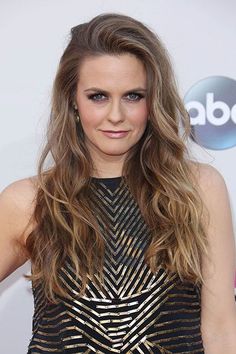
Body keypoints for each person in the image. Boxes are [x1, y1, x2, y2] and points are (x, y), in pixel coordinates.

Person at [0, 12, 236, 354]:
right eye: (98, 96)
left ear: (153, 100)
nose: (115, 115)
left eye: (133, 96)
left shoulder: (198, 189)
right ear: (73, 101)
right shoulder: (31, 200)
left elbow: (221, 331)